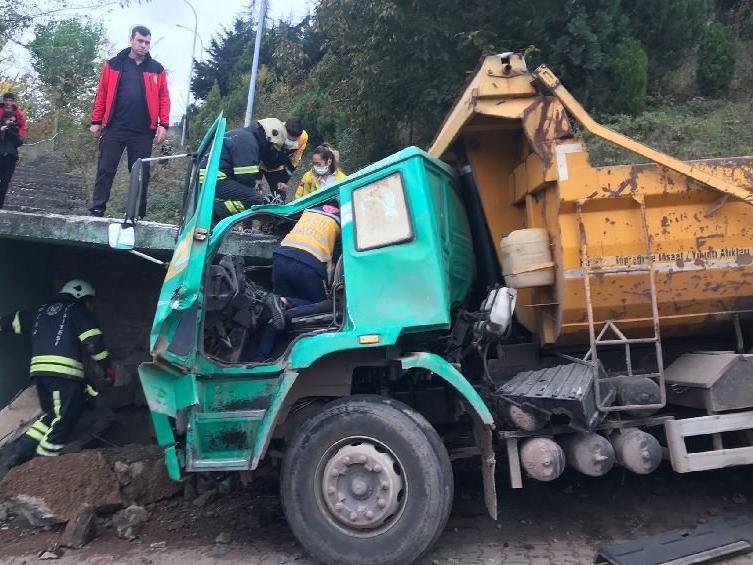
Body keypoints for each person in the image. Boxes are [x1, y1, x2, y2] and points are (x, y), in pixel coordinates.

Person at [0, 280, 113, 474]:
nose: (90, 304)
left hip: (40, 374)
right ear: (80, 296)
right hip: (64, 374)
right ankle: (43, 466)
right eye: (89, 300)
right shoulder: (78, 312)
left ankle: (17, 456)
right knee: (64, 419)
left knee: (51, 416)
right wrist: (106, 367)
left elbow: (14, 321)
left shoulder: (40, 312)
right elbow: (93, 343)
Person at [89, 25, 170, 218]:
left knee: (141, 173)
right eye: (140, 41)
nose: (144, 45)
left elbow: (164, 98)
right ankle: (97, 209)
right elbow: (102, 93)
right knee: (105, 168)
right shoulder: (114, 64)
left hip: (143, 131)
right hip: (114, 127)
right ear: (131, 40)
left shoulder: (157, 69)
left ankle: (136, 214)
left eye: (147, 42)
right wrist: (96, 120)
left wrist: (164, 124)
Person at [255, 201, 341, 361]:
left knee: (277, 311)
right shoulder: (342, 218)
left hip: (281, 257)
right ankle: (285, 302)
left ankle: (262, 355)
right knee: (323, 307)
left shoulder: (311, 210)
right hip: (308, 265)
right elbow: (337, 261)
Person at [203, 118, 288, 221]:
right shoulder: (248, 141)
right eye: (272, 147)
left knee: (248, 196)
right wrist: (256, 192)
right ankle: (213, 215)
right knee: (254, 199)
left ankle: (215, 213)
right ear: (269, 137)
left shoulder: (242, 135)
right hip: (215, 177)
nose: (270, 150)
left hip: (210, 176)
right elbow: (245, 176)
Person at [259, 117, 308, 202]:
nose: (290, 142)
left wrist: (284, 180)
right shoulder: (272, 131)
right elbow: (257, 153)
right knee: (253, 190)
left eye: (294, 140)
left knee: (280, 196)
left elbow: (294, 161)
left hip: (277, 166)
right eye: (288, 139)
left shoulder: (303, 138)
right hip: (260, 162)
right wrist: (257, 178)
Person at [0, 93, 26, 209]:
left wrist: (9, 130)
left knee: (5, 182)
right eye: (6, 100)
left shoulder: (15, 129)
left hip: (10, 157)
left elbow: (19, 142)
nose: (8, 102)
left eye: (10, 100)